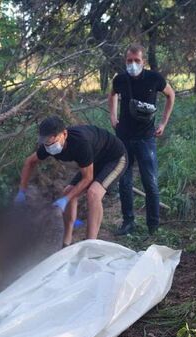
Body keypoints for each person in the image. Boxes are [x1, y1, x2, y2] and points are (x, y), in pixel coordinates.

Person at [14, 116, 128, 247]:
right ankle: (66, 242)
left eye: (53, 142)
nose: (50, 147)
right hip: (94, 160)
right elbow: (29, 162)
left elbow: (88, 178)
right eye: (46, 144)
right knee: (68, 191)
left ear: (64, 134)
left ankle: (90, 244)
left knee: (93, 193)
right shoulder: (48, 147)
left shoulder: (80, 143)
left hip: (115, 158)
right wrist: (21, 191)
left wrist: (65, 200)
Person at [109, 43, 175, 236]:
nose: (133, 64)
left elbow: (171, 95)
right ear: (125, 61)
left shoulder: (154, 78)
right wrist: (113, 117)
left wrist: (163, 123)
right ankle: (128, 222)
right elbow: (112, 94)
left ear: (143, 61)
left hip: (146, 138)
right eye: (129, 60)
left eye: (136, 60)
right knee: (124, 182)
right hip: (123, 137)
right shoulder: (120, 79)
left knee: (150, 182)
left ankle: (153, 226)